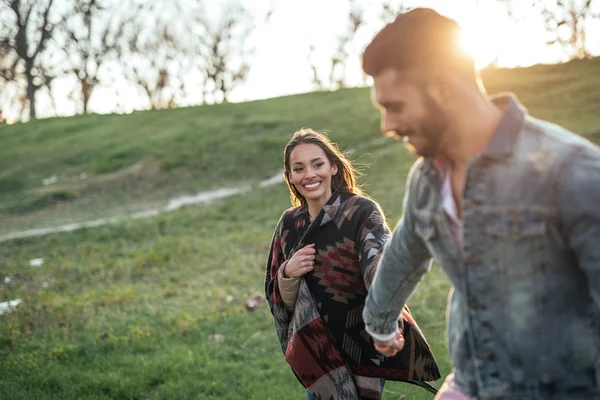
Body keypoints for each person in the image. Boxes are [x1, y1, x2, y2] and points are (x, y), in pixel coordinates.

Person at [359, 7, 600, 400]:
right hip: (471, 384)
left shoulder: (570, 171)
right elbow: (404, 251)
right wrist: (379, 323)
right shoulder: (427, 178)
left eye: (395, 107)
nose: (387, 126)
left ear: (442, 87)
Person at [264, 128, 440, 399]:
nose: (309, 174)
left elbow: (379, 267)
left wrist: (387, 322)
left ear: (333, 167)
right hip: (316, 350)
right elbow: (277, 298)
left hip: (362, 344)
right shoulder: (289, 224)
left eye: (317, 164)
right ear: (290, 177)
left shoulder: (360, 212)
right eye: (298, 168)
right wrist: (288, 273)